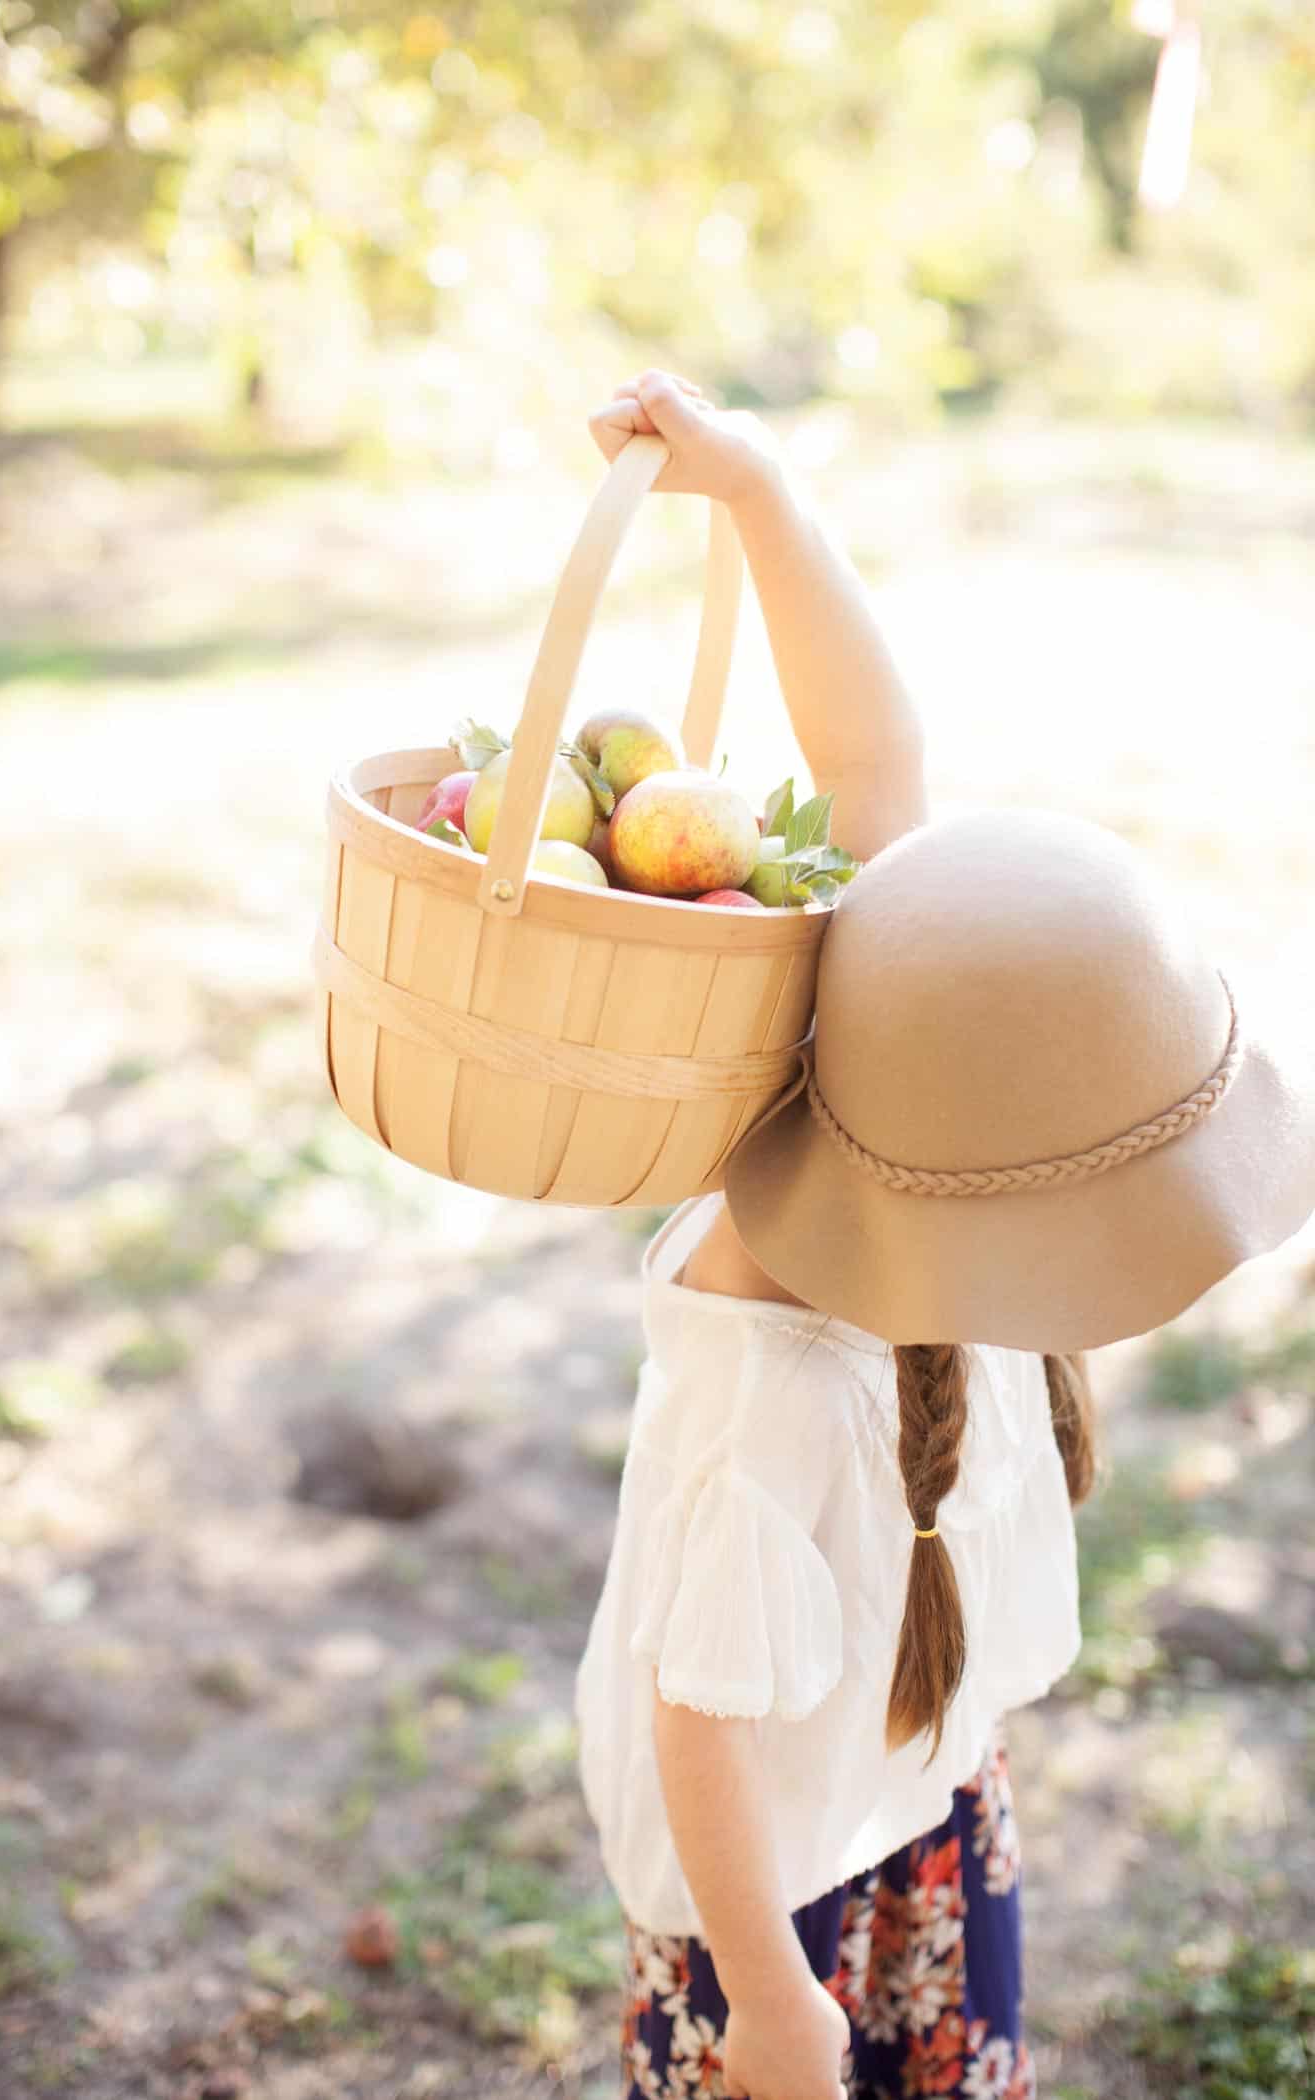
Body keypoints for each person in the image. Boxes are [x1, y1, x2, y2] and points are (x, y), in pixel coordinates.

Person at [577, 372, 1315, 2100]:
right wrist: (769, 2001)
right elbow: (701, 1731)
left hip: (907, 1799)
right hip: (769, 1913)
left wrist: (755, 491)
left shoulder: (899, 1017)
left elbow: (869, 755)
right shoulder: (761, 1380)